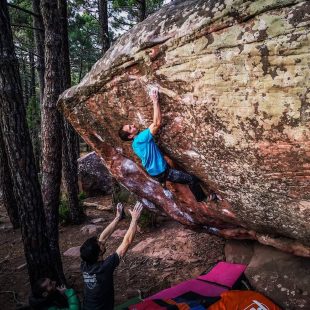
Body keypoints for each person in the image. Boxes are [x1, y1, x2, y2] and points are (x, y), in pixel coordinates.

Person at [118, 86, 221, 202]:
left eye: (130, 125)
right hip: (163, 172)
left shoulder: (135, 143)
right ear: (130, 136)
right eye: (130, 128)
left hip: (155, 172)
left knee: (170, 163)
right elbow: (157, 123)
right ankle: (203, 198)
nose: (133, 125)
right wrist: (155, 101)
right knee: (192, 179)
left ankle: (162, 182)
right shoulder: (141, 139)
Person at [80, 201, 143, 310]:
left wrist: (117, 217)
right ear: (99, 254)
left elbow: (103, 238)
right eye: (100, 245)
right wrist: (134, 219)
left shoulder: (85, 264)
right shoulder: (104, 268)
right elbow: (126, 242)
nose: (102, 241)